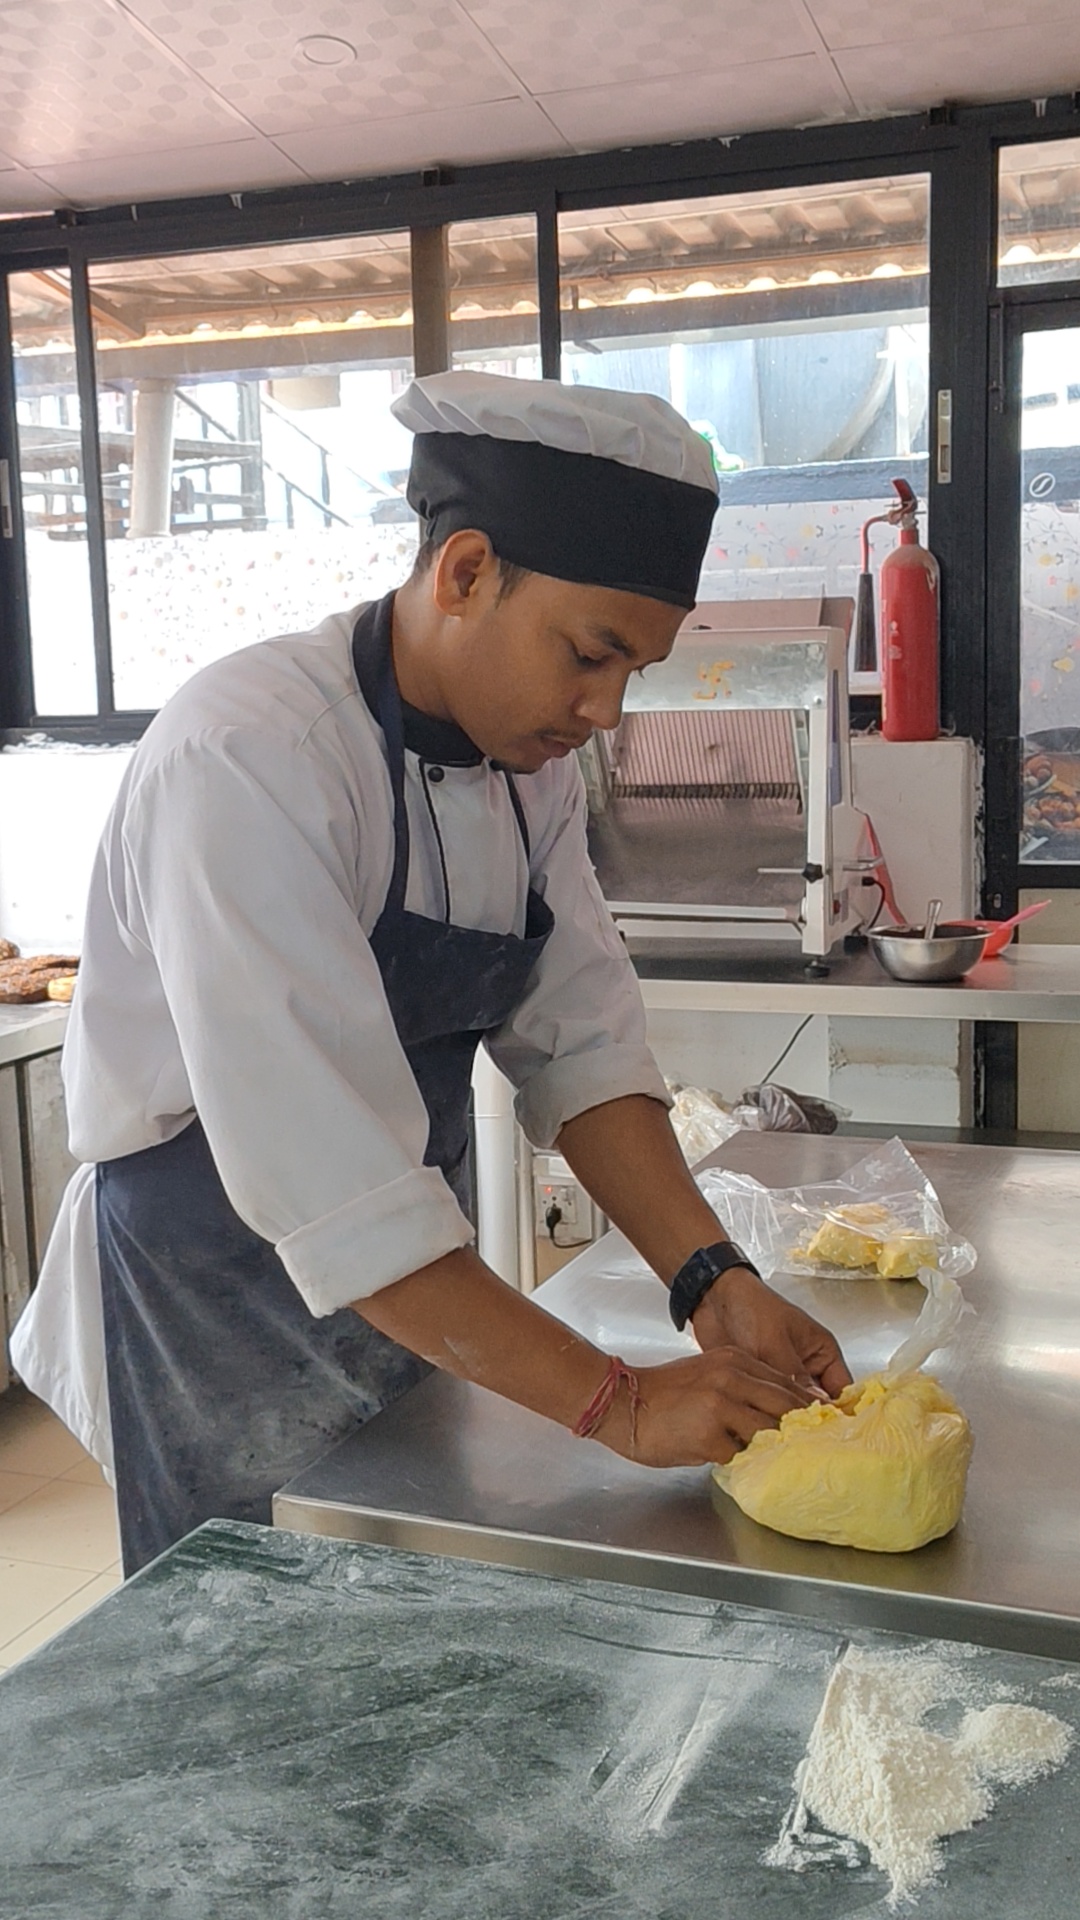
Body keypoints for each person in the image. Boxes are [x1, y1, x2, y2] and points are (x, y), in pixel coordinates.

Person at [12, 372, 850, 1575]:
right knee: (244, 1618)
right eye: (591, 653)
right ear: (463, 573)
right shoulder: (252, 757)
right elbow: (331, 1181)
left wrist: (711, 1276)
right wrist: (619, 1404)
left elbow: (583, 1046)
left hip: (412, 1270)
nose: (607, 710)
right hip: (219, 1284)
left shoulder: (527, 769)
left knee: (394, 1581)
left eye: (637, 673)